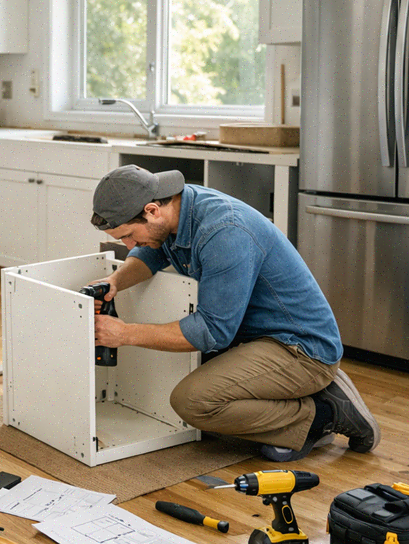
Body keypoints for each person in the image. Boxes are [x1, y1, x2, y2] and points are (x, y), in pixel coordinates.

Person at [88, 164, 380, 461]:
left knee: (192, 402)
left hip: (301, 349)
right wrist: (115, 281)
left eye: (128, 235)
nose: (128, 245)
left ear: (151, 210)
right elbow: (151, 252)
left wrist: (125, 334)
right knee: (187, 375)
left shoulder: (224, 231)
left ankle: (324, 413)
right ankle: (301, 405)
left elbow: (211, 331)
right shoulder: (176, 211)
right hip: (254, 337)